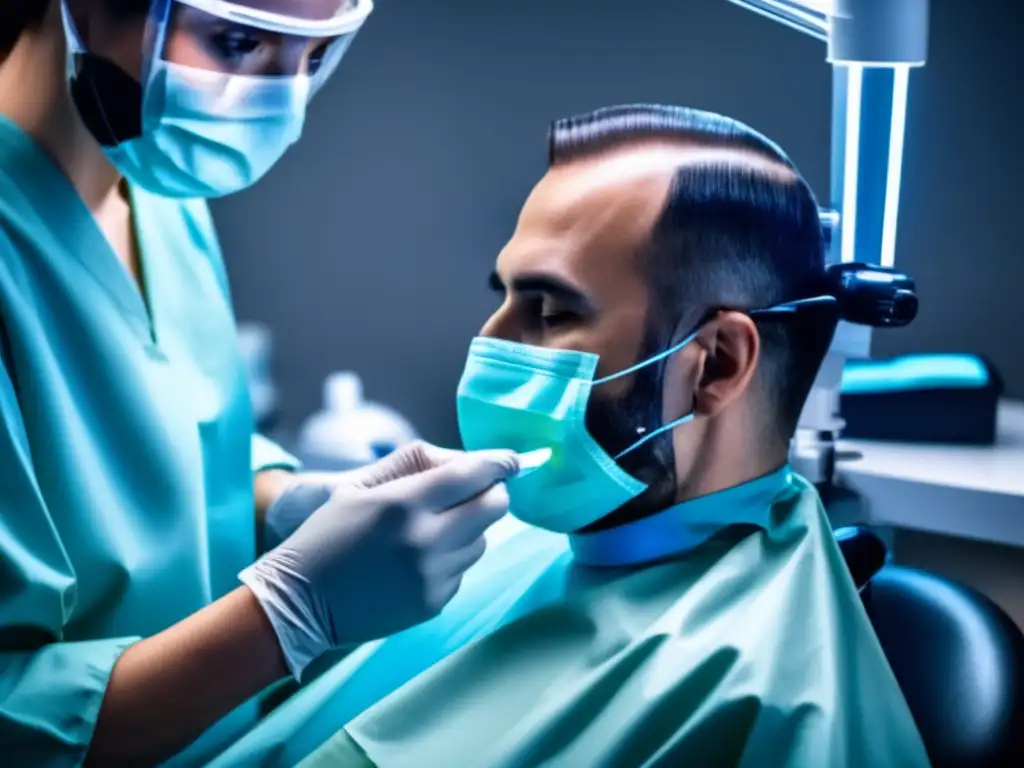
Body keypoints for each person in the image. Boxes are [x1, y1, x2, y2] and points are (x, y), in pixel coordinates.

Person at [225, 104, 931, 767]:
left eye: (549, 310)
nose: (488, 340)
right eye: (500, 296)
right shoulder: (516, 536)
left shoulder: (763, 709)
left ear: (716, 362)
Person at [0, 2, 519, 766]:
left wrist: (285, 502)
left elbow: (153, 427)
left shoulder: (157, 189)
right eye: (239, 41)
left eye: (314, 57)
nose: (281, 102)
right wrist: (290, 611)